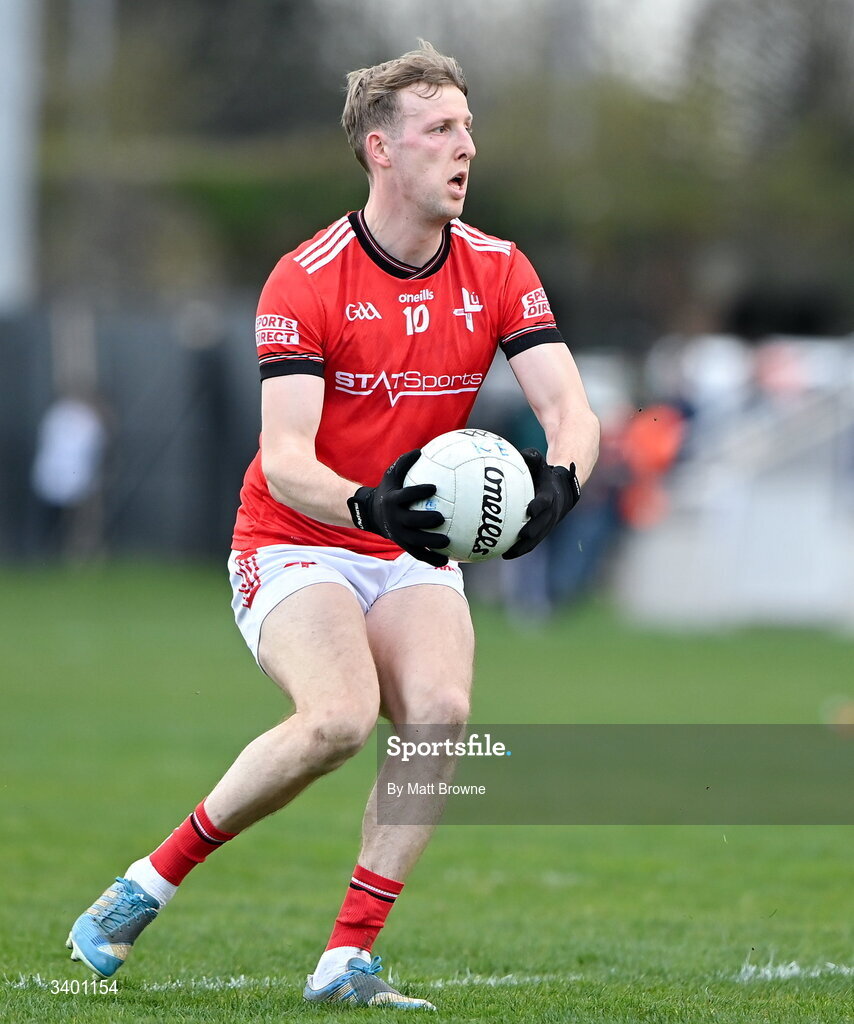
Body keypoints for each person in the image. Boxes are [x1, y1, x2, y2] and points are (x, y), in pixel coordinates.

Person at [66, 40, 600, 1009]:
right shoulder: (305, 278)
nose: (464, 147)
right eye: (440, 128)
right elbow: (286, 459)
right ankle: (144, 883)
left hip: (408, 544)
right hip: (293, 536)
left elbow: (570, 411)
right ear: (379, 147)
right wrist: (369, 504)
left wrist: (557, 486)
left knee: (438, 712)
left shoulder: (498, 267)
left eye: (467, 128)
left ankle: (344, 956)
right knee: (339, 719)